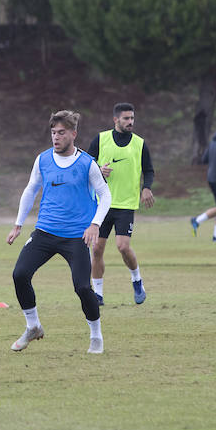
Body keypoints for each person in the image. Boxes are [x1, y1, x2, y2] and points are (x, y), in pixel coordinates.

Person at [7, 110, 112, 354]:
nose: (56, 137)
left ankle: (96, 335)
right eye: (53, 133)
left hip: (76, 236)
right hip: (45, 232)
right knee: (20, 274)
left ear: (73, 134)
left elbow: (105, 195)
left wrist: (94, 224)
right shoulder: (42, 159)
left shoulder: (87, 163)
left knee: (83, 288)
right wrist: (18, 224)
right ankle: (33, 327)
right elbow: (31, 189)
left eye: (61, 133)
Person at [86, 102, 155, 306]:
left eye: (132, 118)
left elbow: (149, 170)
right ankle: (98, 294)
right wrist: (98, 169)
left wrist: (146, 187)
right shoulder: (101, 139)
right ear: (116, 119)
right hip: (101, 203)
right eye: (126, 118)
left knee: (123, 247)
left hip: (126, 204)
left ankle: (136, 280)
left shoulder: (140, 144)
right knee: (97, 249)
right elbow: (86, 165)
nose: (130, 122)